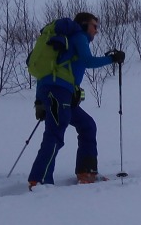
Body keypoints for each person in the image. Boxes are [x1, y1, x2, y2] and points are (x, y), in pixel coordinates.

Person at [27, 12, 125, 188]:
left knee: (87, 125)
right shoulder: (79, 36)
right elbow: (88, 61)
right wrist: (112, 58)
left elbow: (46, 74)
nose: (96, 31)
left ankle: (86, 172)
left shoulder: (65, 43)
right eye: (94, 26)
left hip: (55, 92)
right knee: (55, 133)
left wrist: (39, 102)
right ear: (84, 24)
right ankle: (39, 180)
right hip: (59, 93)